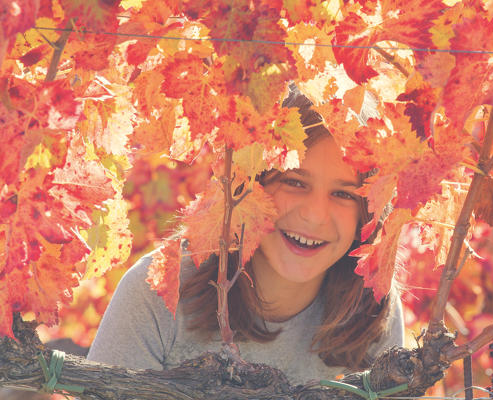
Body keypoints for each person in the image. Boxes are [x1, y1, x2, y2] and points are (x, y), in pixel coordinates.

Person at [86, 85, 404, 385]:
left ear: (370, 213)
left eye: (344, 194)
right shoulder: (159, 293)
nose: (315, 214)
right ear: (248, 183)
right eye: (295, 182)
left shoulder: (372, 311)